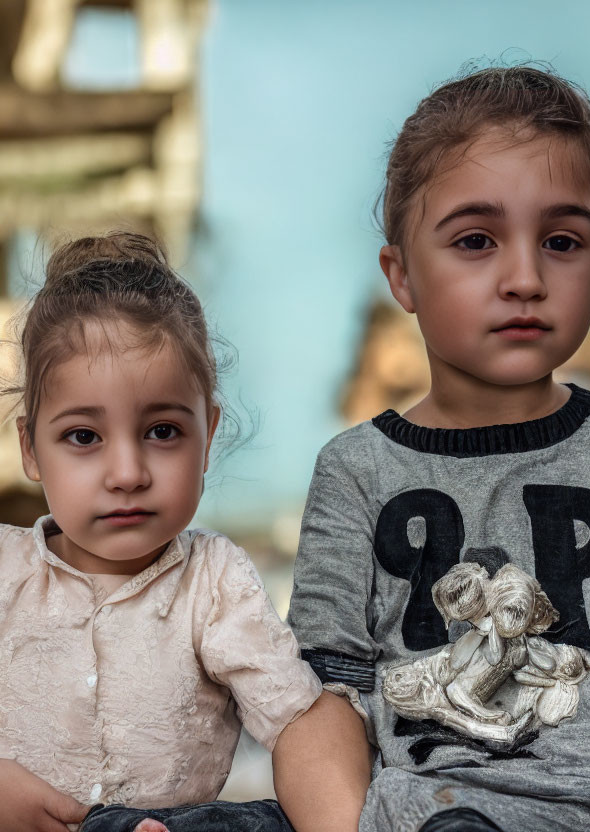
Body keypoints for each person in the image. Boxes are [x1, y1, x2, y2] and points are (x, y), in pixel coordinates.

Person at [288, 66, 590, 831]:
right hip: (414, 814)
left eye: (562, 240)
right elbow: (324, 702)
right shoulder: (356, 472)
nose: (525, 277)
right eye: (476, 240)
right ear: (402, 274)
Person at [0, 232, 367, 832]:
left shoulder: (212, 582)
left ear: (207, 436)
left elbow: (298, 718)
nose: (127, 474)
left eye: (163, 432)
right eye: (84, 437)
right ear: (30, 449)